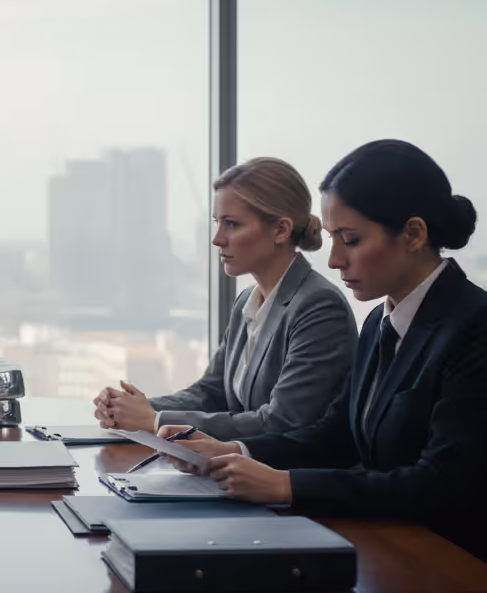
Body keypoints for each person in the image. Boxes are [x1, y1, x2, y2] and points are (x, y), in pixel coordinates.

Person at [162, 139, 487, 583]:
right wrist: (235, 451)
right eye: (332, 239)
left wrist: (285, 485)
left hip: (473, 573)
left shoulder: (481, 329)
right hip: (397, 549)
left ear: (413, 234)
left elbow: (442, 484)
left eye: (351, 240)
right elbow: (336, 434)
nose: (333, 259)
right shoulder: (379, 323)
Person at [94, 157, 357, 438]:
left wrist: (155, 420)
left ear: (280, 230)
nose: (217, 239)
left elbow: (281, 422)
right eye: (218, 222)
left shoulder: (319, 307)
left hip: (281, 476)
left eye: (232, 224)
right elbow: (212, 391)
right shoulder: (247, 301)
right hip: (233, 469)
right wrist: (133, 407)